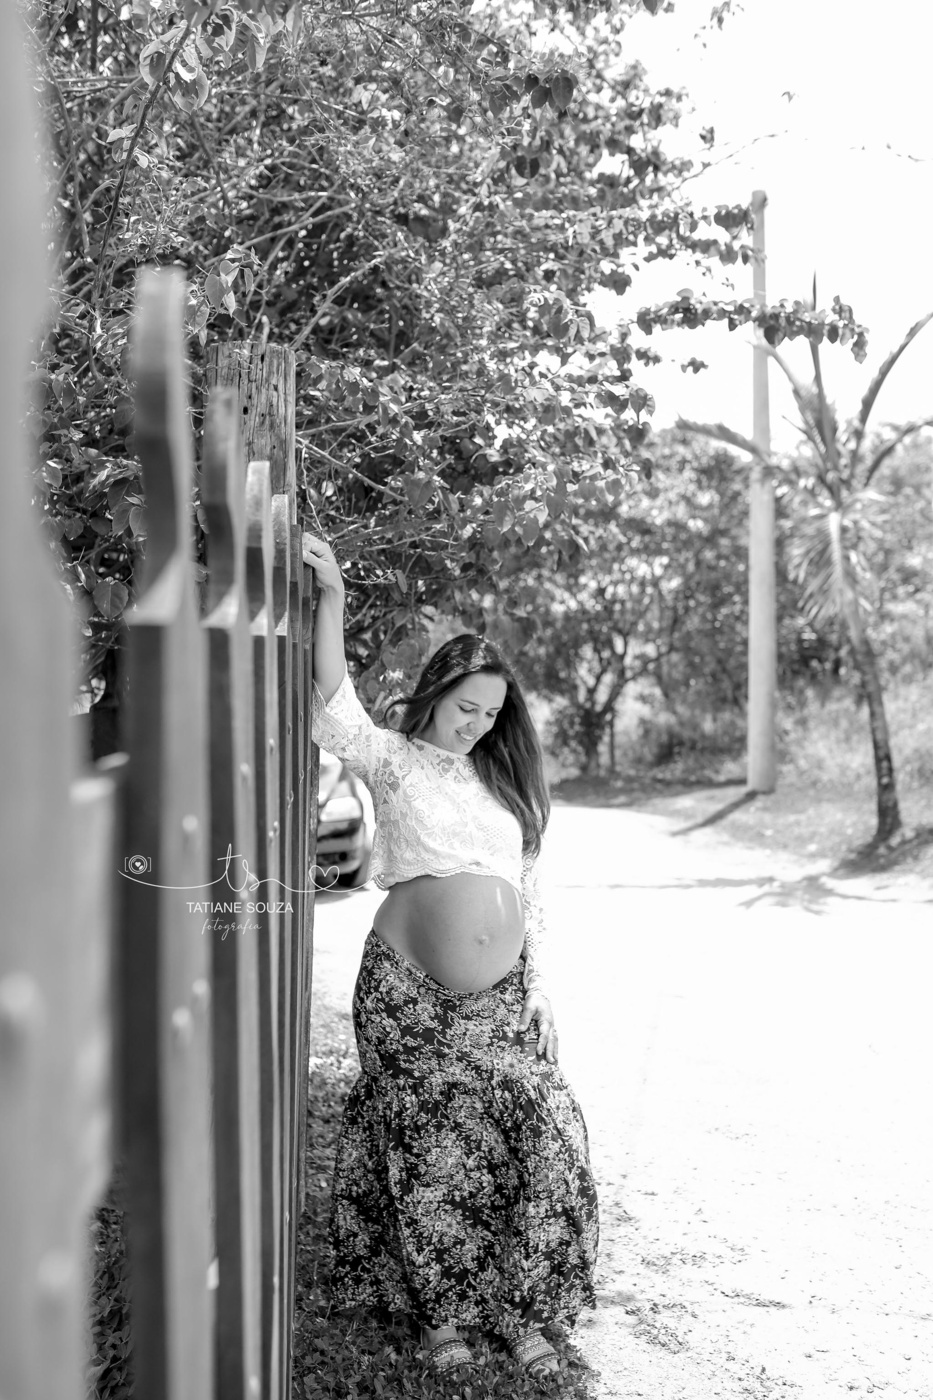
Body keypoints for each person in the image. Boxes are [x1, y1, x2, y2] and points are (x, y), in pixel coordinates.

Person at [303, 533, 599, 1379]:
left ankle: (522, 1311)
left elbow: (529, 892)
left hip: (502, 998)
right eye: (467, 707)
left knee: (542, 1129)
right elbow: (335, 707)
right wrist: (332, 596)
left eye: (491, 714)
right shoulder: (394, 761)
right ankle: (444, 1322)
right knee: (430, 1146)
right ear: (435, 695)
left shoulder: (501, 785)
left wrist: (539, 985)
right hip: (408, 991)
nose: (477, 725)